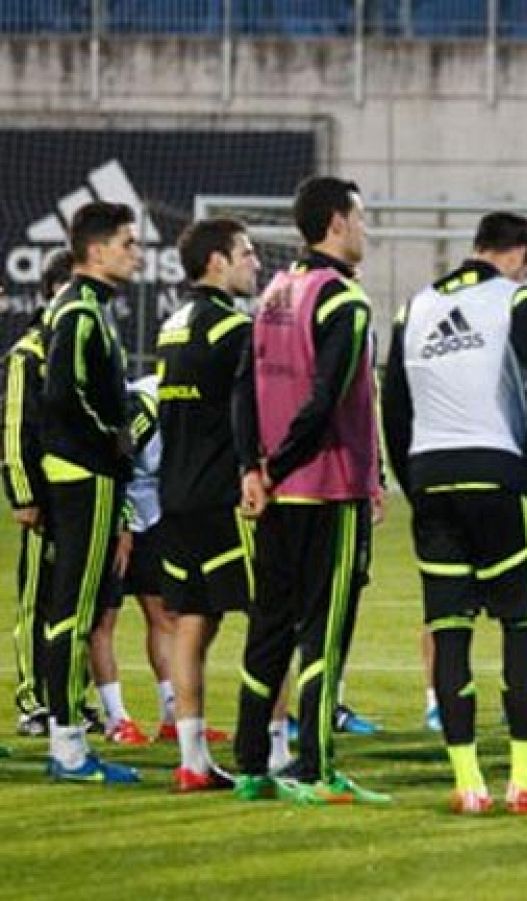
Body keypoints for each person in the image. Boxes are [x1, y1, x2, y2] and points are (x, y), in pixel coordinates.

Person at [383, 211, 527, 815]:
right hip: (497, 472)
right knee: (522, 624)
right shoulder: (515, 300)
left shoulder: (413, 307)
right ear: (520, 253)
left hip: (431, 475)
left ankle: (468, 783)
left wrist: (410, 481)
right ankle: (525, 779)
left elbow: (393, 402)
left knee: (450, 630)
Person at [231, 176, 386, 805]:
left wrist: (253, 468)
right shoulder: (343, 300)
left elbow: (242, 390)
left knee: (268, 626)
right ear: (336, 222)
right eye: (361, 217)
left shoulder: (273, 293)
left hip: (275, 495)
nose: (366, 229)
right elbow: (327, 400)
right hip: (329, 488)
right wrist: (278, 465)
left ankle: (250, 767)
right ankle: (315, 768)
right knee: (324, 631)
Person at [37, 202, 144, 784]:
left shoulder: (90, 309)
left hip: (86, 474)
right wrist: (114, 441)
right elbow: (61, 396)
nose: (137, 253)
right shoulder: (79, 313)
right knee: (74, 613)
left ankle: (69, 743)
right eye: (129, 243)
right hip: (84, 475)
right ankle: (69, 749)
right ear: (97, 250)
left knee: (75, 611)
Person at [155, 217, 260, 790]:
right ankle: (271, 748)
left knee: (194, 619)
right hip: (224, 496)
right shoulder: (234, 329)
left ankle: (193, 759)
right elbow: (252, 410)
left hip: (175, 494)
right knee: (271, 613)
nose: (255, 263)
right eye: (246, 253)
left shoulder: (171, 326)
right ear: (217, 262)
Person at [3, 249, 74, 739]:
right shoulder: (29, 354)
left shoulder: (80, 345)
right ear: (53, 291)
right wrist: (23, 493)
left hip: (81, 496)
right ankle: (32, 698)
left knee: (74, 604)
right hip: (44, 500)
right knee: (37, 601)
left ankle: (70, 697)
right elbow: (14, 431)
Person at [88, 377, 175, 748]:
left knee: (163, 616)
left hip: (154, 516)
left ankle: (173, 715)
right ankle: (116, 718)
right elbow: (116, 457)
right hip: (117, 516)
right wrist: (121, 521)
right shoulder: (146, 405)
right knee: (103, 619)